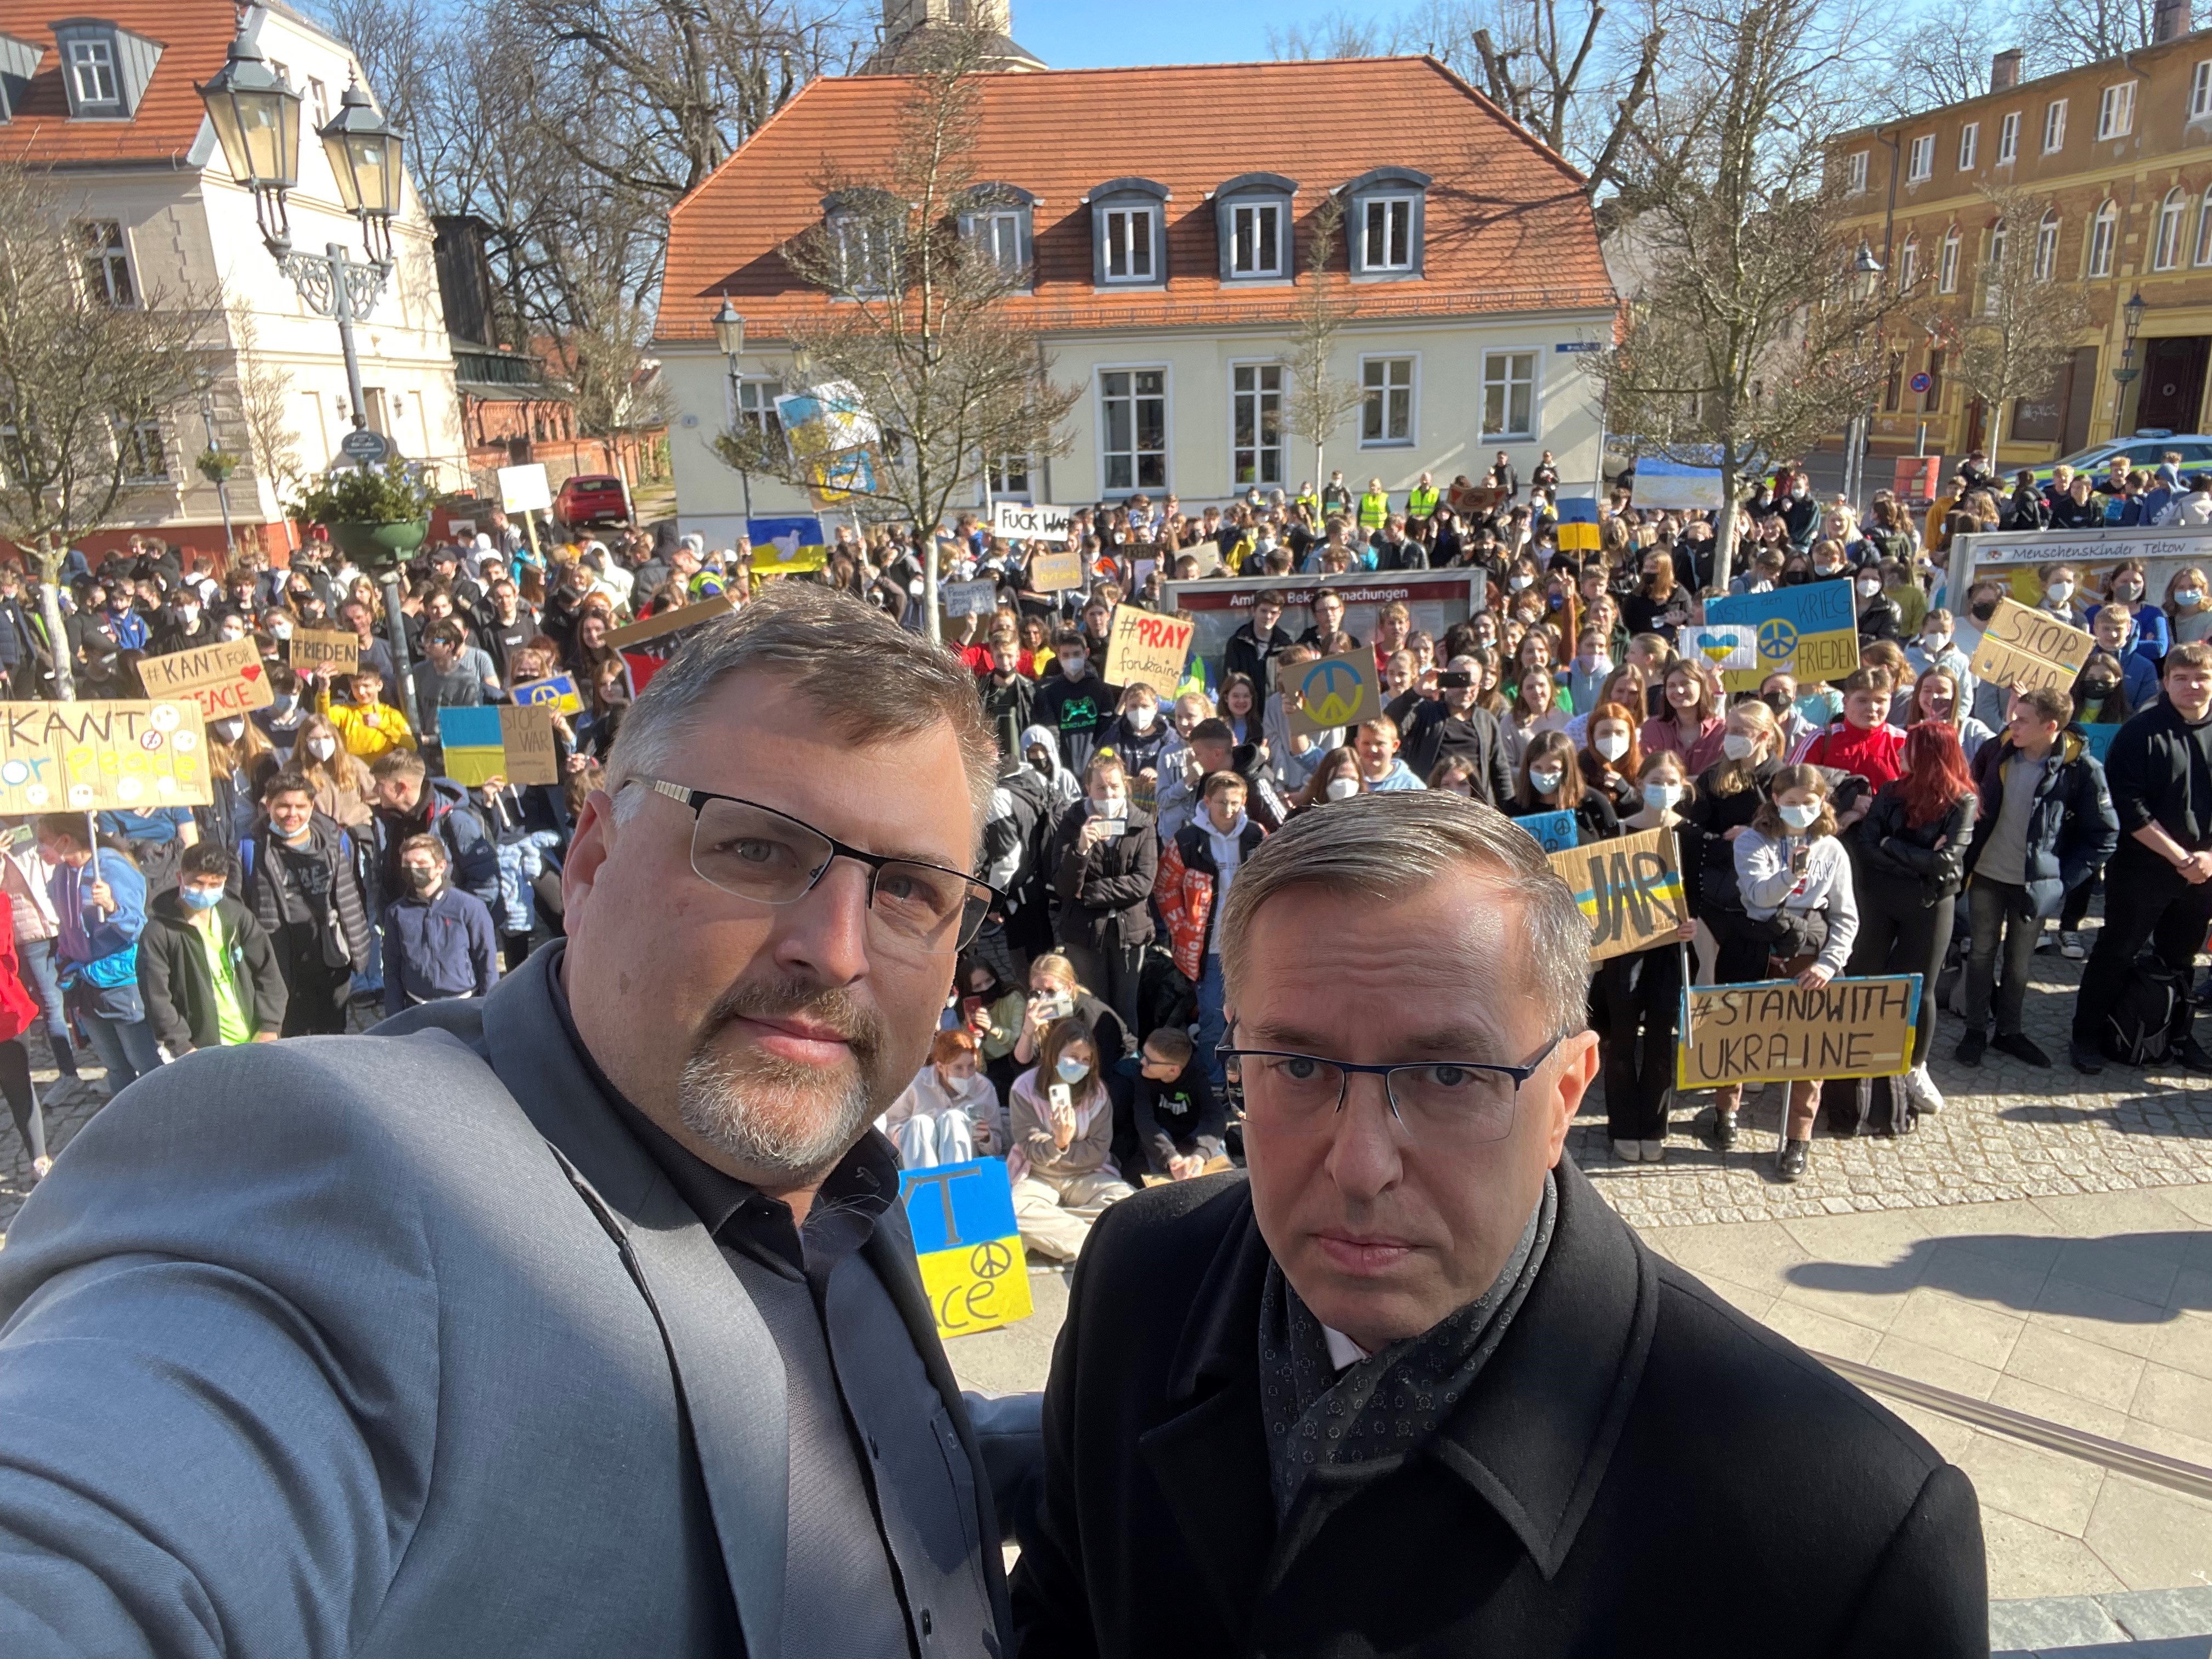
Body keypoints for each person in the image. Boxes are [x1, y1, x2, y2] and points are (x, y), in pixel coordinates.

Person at [0, 585, 1029, 1655]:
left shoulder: (840, 1174)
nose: (838, 948)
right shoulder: (349, 1170)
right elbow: (96, 1536)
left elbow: (847, 1453)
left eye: (907, 889)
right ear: (586, 861)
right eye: (757, 850)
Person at [1010, 791, 1985, 1657]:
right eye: (1297, 1066)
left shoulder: (1845, 1533)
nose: (1359, 1163)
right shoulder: (1136, 1280)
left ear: (1564, 1093)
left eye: (1446, 1075)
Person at [1951, 685, 2112, 1071]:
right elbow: (1968, 799)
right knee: (1980, 953)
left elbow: (2104, 835)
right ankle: (1975, 1031)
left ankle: (2009, 1032)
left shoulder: (2081, 770)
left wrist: (2060, 881)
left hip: (2032, 885)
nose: (2012, 724)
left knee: (2018, 962)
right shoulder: (1996, 750)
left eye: (2023, 720)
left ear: (2050, 726)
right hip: (1987, 875)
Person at [2068, 644, 2212, 1072]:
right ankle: (2085, 1037)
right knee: (2116, 951)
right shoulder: (2140, 732)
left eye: (2201, 677)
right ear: (2165, 682)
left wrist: (2205, 858)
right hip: (2142, 869)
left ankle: (2178, 1036)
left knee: (2181, 960)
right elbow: (2128, 806)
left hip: (2202, 873)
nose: (2192, 686)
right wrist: (2179, 855)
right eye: (2181, 678)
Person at [1733, 766, 1860, 1181]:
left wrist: (1829, 963)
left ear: (1822, 803)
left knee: (1809, 1050)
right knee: (1742, 1035)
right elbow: (1757, 896)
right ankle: (1725, 1111)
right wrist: (1792, 874)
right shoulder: (1753, 840)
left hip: (1811, 949)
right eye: (1790, 803)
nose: (1800, 810)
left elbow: (1845, 916)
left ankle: (1797, 1138)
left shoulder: (1832, 849)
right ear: (1775, 800)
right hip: (1760, 943)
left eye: (1809, 803)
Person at [1848, 723, 1976, 1121]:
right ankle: (1855, 1053)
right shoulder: (1889, 791)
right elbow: (1866, 846)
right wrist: (1913, 855)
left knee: (1920, 986)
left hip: (1929, 902)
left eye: (1911, 749)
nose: (1901, 754)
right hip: (1881, 897)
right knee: (1863, 972)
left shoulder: (1962, 802)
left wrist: (1892, 846)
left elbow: (1946, 861)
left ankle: (1914, 1067)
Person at [1592, 750, 1701, 1163]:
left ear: (1683, 786)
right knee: (1621, 1043)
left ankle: (1654, 1125)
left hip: (1670, 954)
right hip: (1625, 953)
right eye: (1655, 781)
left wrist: (1691, 926)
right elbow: (1599, 894)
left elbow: (1699, 899)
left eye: (1671, 781)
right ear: (1638, 785)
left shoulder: (1690, 835)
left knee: (1659, 1044)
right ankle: (1621, 1125)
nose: (1663, 789)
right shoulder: (1617, 832)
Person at [241, 771, 377, 1035]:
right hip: (281, 960)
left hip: (330, 957)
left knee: (333, 1032)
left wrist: (358, 952)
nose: (292, 814)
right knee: (291, 1036)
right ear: (268, 806)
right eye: (283, 806)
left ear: (312, 807)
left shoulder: (336, 842)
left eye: (300, 806)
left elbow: (352, 899)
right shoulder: (251, 848)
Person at [1155, 769, 1265, 1092]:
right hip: (1210, 950)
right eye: (1221, 803)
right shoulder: (1188, 841)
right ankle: (1214, 1085)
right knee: (1215, 1022)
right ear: (1207, 802)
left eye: (1234, 803)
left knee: (1255, 1019)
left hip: (1251, 948)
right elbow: (1166, 888)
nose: (1228, 810)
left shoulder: (1257, 836)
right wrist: (1182, 927)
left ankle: (1251, 1083)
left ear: (1243, 801)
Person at [35, 816, 162, 1090]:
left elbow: (136, 928)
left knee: (144, 1061)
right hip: (83, 981)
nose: (40, 850)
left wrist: (113, 906)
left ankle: (163, 1119)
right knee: (115, 1066)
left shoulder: (110, 868)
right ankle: (123, 1126)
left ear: (65, 840)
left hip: (119, 980)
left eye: (44, 842)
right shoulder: (61, 873)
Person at [136, 842, 288, 1054]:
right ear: (180, 878)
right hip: (200, 1049)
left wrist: (269, 1026)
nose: (205, 891)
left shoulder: (237, 918)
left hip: (254, 1041)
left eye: (215, 884)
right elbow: (157, 999)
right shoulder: (158, 933)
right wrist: (182, 1046)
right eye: (198, 883)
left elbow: (268, 973)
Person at [1008, 1015, 1135, 1262]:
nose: (1079, 1065)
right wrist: (1058, 1143)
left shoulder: (1097, 1092)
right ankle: (1095, 1241)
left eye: (1086, 1060)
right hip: (1038, 1175)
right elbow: (1030, 1147)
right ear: (1054, 1053)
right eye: (1073, 1057)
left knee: (1127, 1202)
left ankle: (1054, 1230)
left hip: (1086, 1174)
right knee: (1014, 1211)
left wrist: (1063, 1151)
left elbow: (1098, 1150)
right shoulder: (1024, 1088)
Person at [1045, 754, 1156, 1030]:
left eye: (1115, 787)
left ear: (1125, 787)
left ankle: (1127, 1065)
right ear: (1088, 789)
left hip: (1128, 932)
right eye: (1101, 788)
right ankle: (1096, 1067)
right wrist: (1080, 850)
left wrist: (1091, 892)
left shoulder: (1142, 824)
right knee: (1092, 1007)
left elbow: (1143, 883)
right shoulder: (1071, 823)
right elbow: (1064, 887)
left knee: (1125, 1010)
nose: (1108, 794)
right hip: (1084, 934)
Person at [1392, 654, 1516, 805]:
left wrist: (1509, 812)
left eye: (1472, 684)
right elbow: (1389, 726)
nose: (1466, 690)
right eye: (1459, 682)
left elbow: (1500, 770)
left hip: (1476, 808)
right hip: (1431, 805)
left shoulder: (1486, 720)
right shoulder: (1425, 712)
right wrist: (1416, 692)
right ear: (1446, 682)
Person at [880, 1025, 1001, 1165]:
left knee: (954, 1118)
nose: (966, 1074)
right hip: (917, 1152)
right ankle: (924, 1182)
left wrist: (986, 1138)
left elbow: (997, 1147)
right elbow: (893, 1125)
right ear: (941, 1067)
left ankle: (956, 1181)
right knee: (919, 1123)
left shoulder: (984, 1088)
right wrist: (910, 1135)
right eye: (958, 1068)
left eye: (971, 1066)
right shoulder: (916, 1083)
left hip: (968, 1160)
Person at [1131, 1025, 1224, 1181]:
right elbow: (1144, 1121)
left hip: (1195, 1136)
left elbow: (1215, 1117)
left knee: (1216, 1166)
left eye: (1149, 1061)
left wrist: (1201, 1155)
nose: (1142, 1062)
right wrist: (1171, 1158)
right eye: (1144, 1055)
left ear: (1174, 1070)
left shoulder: (1198, 1075)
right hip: (1163, 1143)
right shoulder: (1143, 1076)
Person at [1515, 729, 1617, 843]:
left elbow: (1614, 848)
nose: (1545, 775)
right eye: (1537, 768)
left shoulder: (1594, 803)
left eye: (1553, 769)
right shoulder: (1513, 810)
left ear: (1567, 770)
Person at [1351, 715, 1424, 791]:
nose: (1373, 750)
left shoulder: (1411, 786)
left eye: (1380, 744)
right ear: (1357, 744)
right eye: (1366, 743)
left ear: (1395, 746)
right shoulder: (1346, 778)